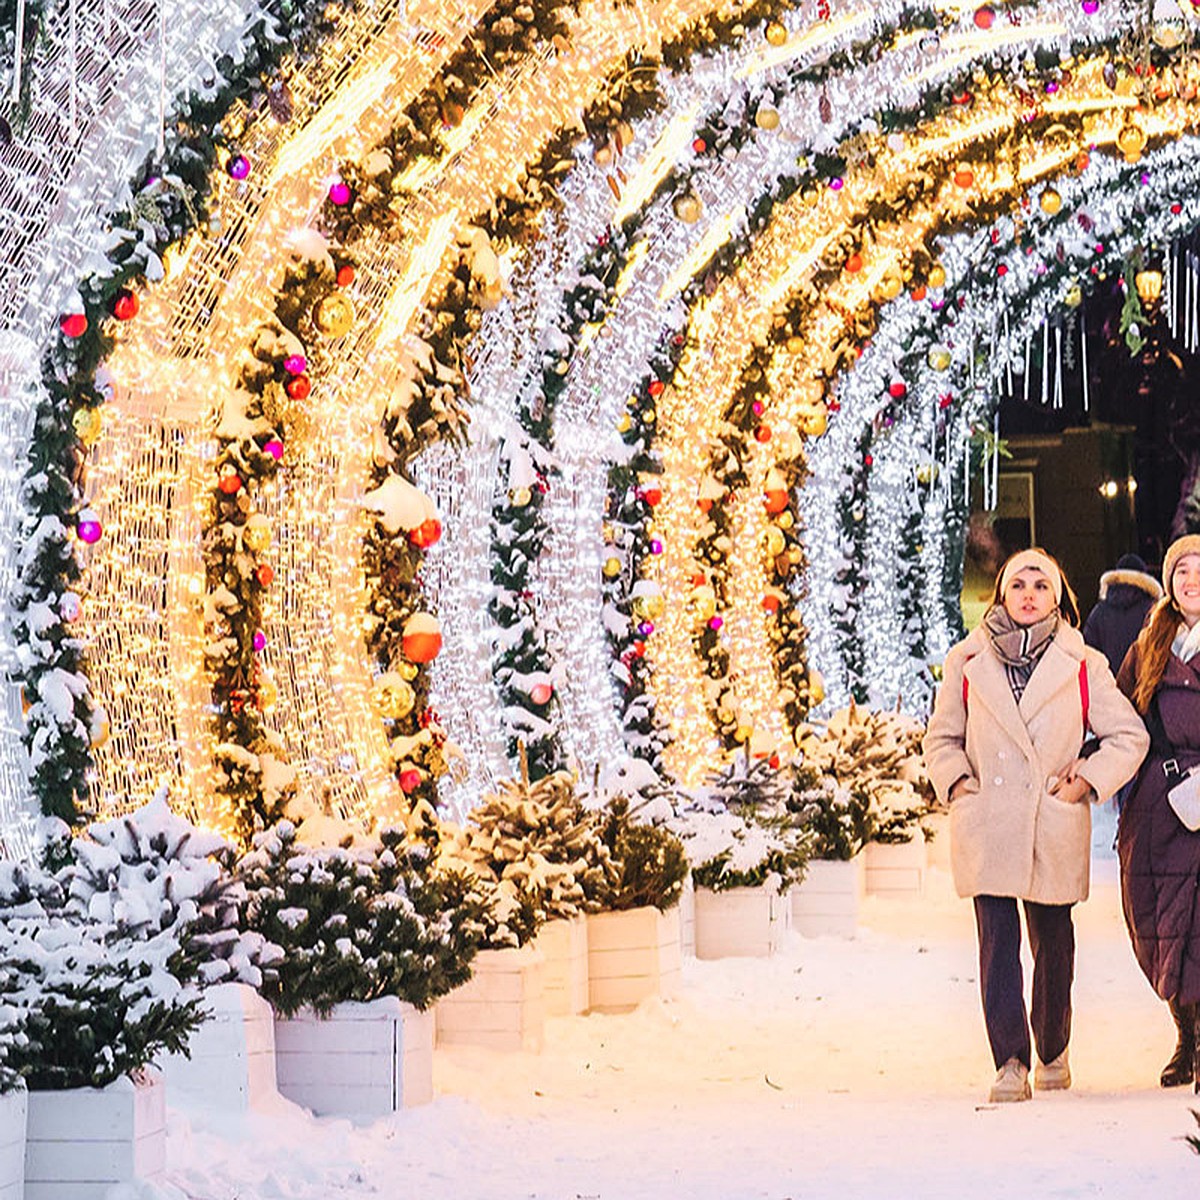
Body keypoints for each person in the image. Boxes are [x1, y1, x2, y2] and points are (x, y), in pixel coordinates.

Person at [924, 548, 1149, 1103]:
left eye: (1040, 585)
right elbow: (940, 737)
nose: (1028, 594)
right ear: (1001, 595)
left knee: (1053, 944)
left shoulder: (1081, 662)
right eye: (1018, 584)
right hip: (990, 819)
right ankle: (1010, 1062)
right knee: (996, 944)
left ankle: (1051, 1046)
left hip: (1050, 815)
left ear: (1057, 596)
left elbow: (1129, 736)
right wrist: (957, 783)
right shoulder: (966, 660)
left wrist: (1087, 780)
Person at [1116, 534, 1200, 1089]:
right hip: (1161, 804)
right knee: (1160, 922)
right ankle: (1185, 1034)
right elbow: (1120, 714)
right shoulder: (1149, 644)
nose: (1191, 580)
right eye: (1182, 571)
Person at [1083, 552, 1162, 675]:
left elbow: (1087, 653)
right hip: (1143, 686)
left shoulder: (1099, 612)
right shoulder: (1153, 612)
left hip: (1106, 686)